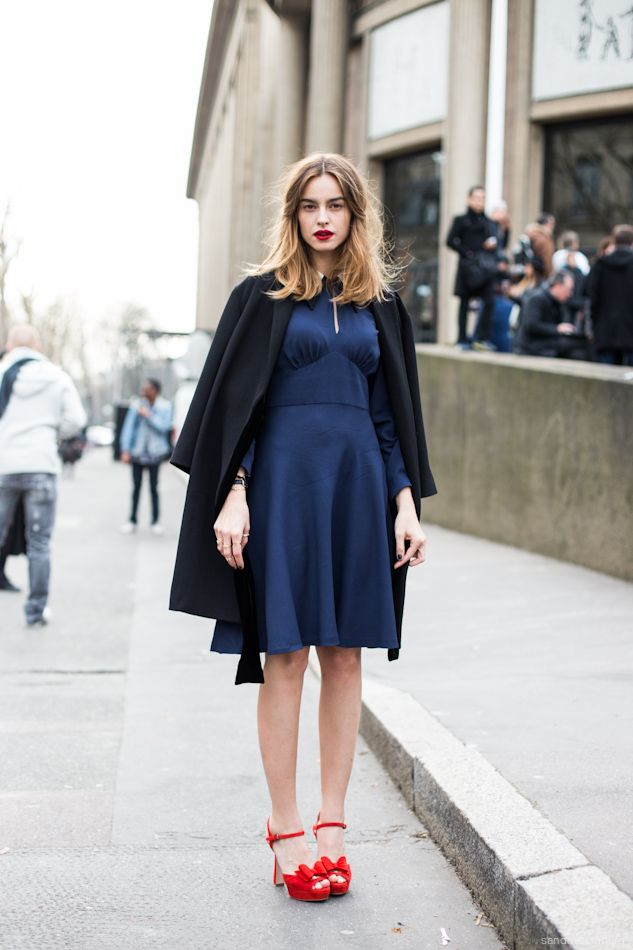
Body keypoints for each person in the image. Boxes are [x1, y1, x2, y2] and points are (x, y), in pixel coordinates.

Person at [169, 153, 437, 902]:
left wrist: (406, 501)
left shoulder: (378, 306)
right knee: (283, 655)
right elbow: (235, 412)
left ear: (355, 215)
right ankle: (284, 824)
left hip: (357, 492)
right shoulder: (258, 298)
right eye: (309, 205)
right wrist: (236, 492)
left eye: (336, 205)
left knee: (345, 657)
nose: (322, 217)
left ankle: (332, 825)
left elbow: (393, 421)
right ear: (292, 216)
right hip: (281, 489)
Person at [0, 324, 86, 625]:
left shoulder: (2, 373)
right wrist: (50, 432)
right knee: (39, 543)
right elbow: (76, 420)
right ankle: (35, 611)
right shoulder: (56, 376)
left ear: (10, 346)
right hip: (41, 464)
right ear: (37, 346)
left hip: (4, 464)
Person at [446, 185, 499, 350]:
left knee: (489, 301)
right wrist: (467, 253)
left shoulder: (489, 222)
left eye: (482, 198)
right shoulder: (461, 220)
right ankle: (462, 338)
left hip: (484, 270)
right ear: (469, 199)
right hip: (467, 269)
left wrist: (492, 246)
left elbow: (498, 242)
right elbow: (450, 241)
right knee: (464, 303)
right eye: (476, 198)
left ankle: (482, 338)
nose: (479, 201)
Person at [119, 378, 173, 535]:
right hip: (137, 453)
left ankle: (155, 521)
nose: (143, 390)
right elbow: (128, 428)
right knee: (136, 488)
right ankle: (132, 520)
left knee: (154, 488)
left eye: (147, 388)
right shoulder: (137, 405)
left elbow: (164, 428)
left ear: (155, 390)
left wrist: (148, 415)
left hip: (155, 454)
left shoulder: (165, 406)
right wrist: (125, 450)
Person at [514, 271, 590, 359]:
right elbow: (531, 325)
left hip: (544, 345)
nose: (570, 294)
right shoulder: (537, 299)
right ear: (558, 286)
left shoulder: (558, 303)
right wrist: (558, 329)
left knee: (580, 346)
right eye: (568, 290)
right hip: (531, 347)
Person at [587, 224, 633, 366]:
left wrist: (594, 325)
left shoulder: (600, 264)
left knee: (605, 379)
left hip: (605, 330)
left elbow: (593, 298)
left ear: (614, 241)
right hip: (630, 331)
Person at [525, 213, 556, 278]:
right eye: (551, 224)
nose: (553, 227)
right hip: (540, 275)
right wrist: (549, 274)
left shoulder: (534, 235)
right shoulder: (543, 239)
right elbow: (546, 259)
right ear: (545, 224)